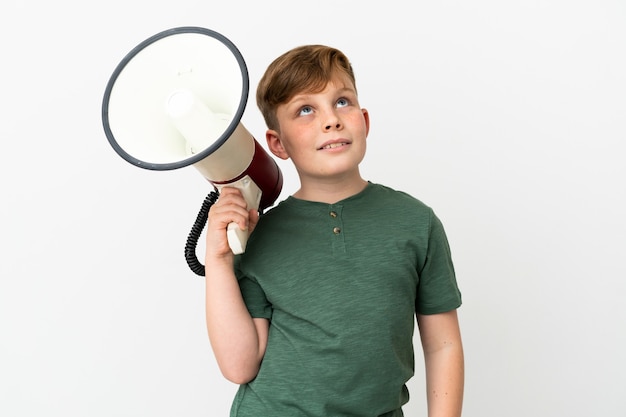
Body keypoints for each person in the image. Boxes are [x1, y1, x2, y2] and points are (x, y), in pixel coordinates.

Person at [204, 44, 464, 417]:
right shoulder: (262, 232)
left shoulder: (415, 223)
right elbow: (240, 366)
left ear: (364, 119)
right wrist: (218, 260)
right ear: (278, 144)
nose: (331, 120)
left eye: (342, 102)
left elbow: (443, 346)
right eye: (305, 110)